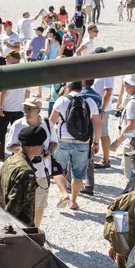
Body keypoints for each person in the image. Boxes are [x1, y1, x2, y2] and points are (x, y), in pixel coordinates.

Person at [50, 81, 101, 212]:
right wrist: (96, 143)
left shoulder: (61, 100)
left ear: (68, 87)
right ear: (81, 87)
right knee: (78, 174)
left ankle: (64, 193)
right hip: (83, 142)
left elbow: (51, 121)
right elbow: (97, 123)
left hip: (63, 140)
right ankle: (73, 201)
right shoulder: (89, 101)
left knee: (57, 169)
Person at [6, 97, 57, 227]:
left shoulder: (47, 123)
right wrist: (28, 150)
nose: (25, 111)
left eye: (29, 109)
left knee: (39, 205)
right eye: (24, 108)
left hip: (41, 171)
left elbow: (54, 142)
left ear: (38, 111)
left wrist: (48, 152)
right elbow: (9, 146)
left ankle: (36, 231)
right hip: (22, 170)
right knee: (17, 203)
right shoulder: (18, 124)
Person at [0, 124, 47, 227]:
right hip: (18, 227)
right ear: (29, 147)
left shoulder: (10, 160)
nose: (42, 147)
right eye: (40, 145)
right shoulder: (26, 172)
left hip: (2, 217)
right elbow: (15, 204)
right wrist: (8, 226)